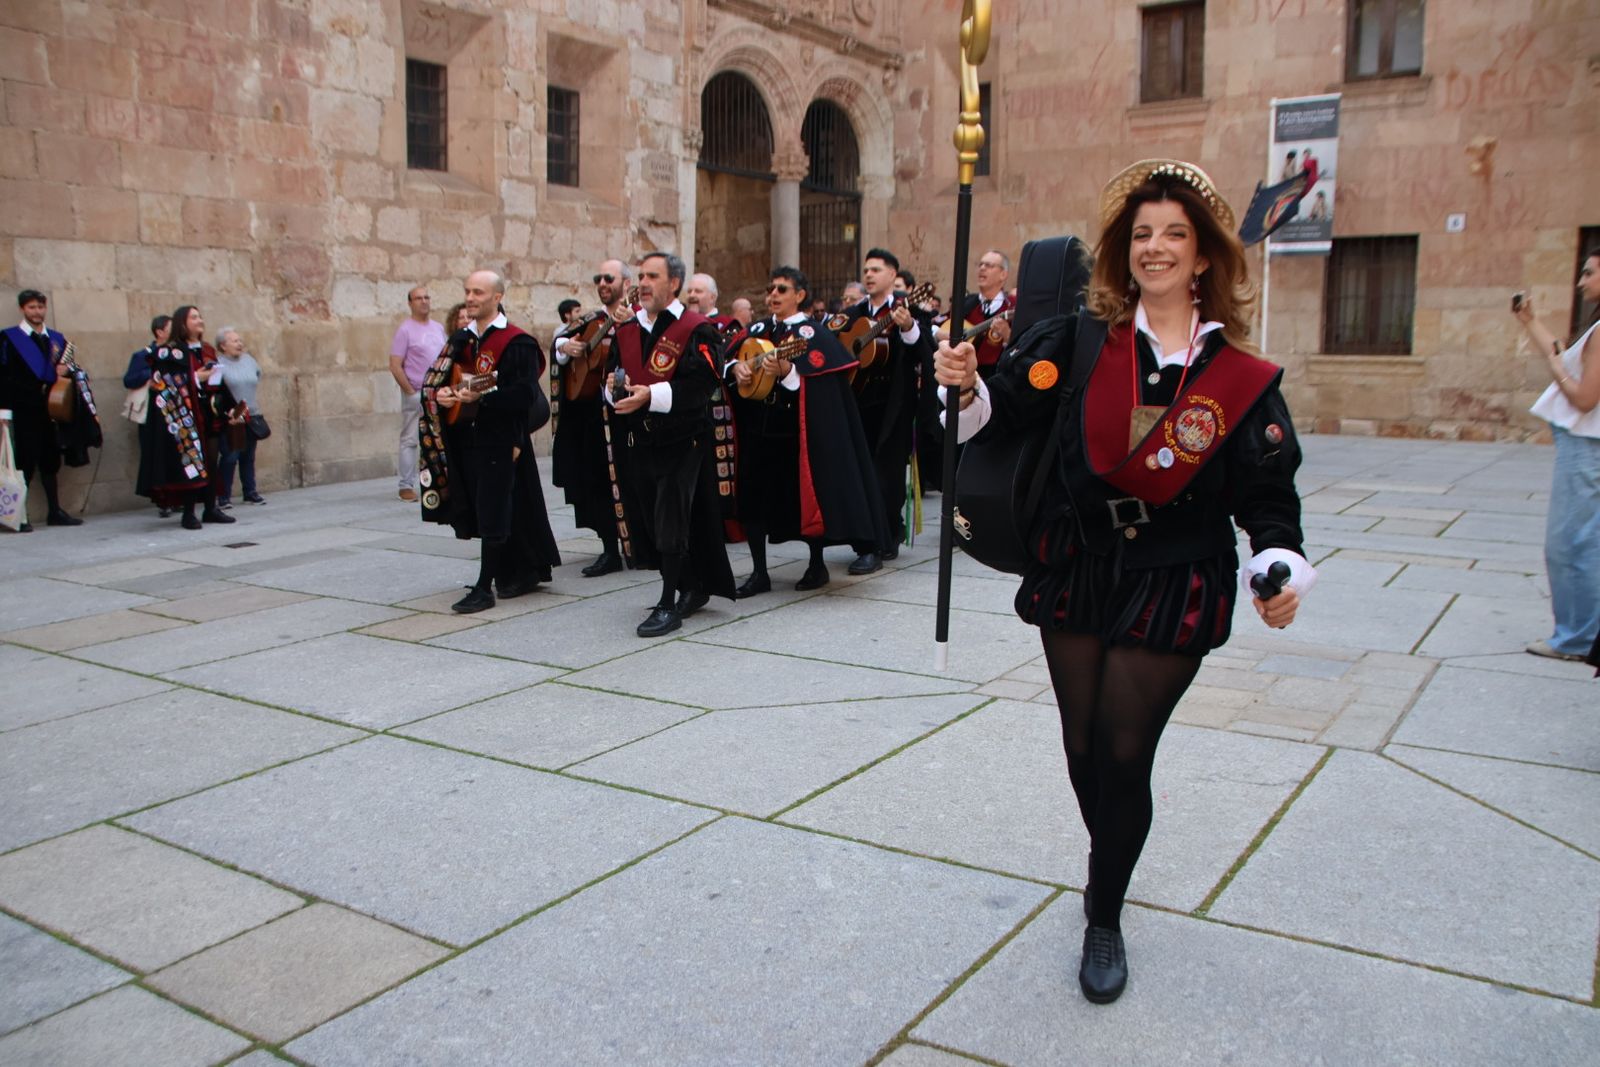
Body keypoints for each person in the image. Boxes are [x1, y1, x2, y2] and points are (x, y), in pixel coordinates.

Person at [935, 159, 1312, 1005]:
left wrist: (1278, 568)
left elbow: (1267, 498)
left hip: (1177, 576)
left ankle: (1103, 910)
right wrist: (963, 385)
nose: (1156, 247)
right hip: (1078, 562)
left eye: (1175, 233)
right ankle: (1109, 860)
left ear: (1204, 254)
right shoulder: (1078, 341)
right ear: (1123, 250)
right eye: (1142, 233)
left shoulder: (1239, 378)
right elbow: (998, 412)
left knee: (1124, 749)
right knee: (1081, 747)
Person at [726, 266, 888, 595]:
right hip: (758, 427)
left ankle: (816, 565)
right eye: (770, 289)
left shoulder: (813, 334)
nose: (773, 295)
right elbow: (727, 357)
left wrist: (788, 372)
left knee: (806, 499)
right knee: (753, 497)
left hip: (795, 433)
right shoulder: (758, 329)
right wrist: (736, 368)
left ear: (799, 295)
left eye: (781, 289)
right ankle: (759, 572)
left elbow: (822, 383)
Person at [605, 251, 735, 636]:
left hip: (682, 440)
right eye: (641, 276)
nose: (643, 283)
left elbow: (704, 384)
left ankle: (667, 604)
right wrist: (614, 392)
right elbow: (614, 378)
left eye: (652, 276)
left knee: (670, 520)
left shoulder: (697, 329)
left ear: (674, 283)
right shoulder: (627, 331)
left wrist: (652, 395)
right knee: (648, 518)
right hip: (639, 440)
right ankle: (690, 586)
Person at [425, 270, 561, 613]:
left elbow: (525, 394)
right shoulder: (461, 339)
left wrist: (480, 396)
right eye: (467, 291)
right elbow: (440, 380)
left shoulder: (517, 342)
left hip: (500, 438)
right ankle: (507, 572)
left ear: (497, 297)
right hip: (466, 437)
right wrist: (444, 394)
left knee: (494, 509)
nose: (470, 298)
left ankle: (484, 587)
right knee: (484, 505)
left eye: (479, 292)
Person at [1513, 251, 1600, 661]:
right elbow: (1564, 353)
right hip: (1585, 447)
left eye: (1589, 272)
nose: (1581, 281)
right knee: (1583, 541)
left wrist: (1555, 369)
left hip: (1586, 448)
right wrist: (1529, 321)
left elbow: (1584, 397)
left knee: (1571, 545)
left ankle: (1578, 639)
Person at [831, 247, 930, 570]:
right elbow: (836, 347)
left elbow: (924, 353)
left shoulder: (908, 308)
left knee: (886, 475)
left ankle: (885, 534)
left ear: (892, 274)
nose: (869, 275)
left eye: (876, 270)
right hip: (857, 402)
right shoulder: (854, 313)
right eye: (866, 270)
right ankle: (870, 540)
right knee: (860, 474)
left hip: (893, 406)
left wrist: (908, 327)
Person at [553, 258, 633, 576]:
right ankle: (609, 548)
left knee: (628, 482)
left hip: (624, 416)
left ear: (627, 284)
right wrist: (566, 347)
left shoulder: (636, 316)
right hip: (591, 418)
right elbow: (559, 341)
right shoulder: (591, 319)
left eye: (609, 279)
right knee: (596, 483)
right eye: (598, 278)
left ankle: (639, 545)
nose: (602, 284)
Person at [135, 305, 233, 528]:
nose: (199, 320)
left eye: (200, 316)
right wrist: (196, 378)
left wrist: (230, 408)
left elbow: (219, 381)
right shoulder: (170, 352)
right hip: (184, 415)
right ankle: (188, 513)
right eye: (194, 317)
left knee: (211, 460)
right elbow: (165, 382)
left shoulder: (207, 350)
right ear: (183, 323)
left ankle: (211, 508)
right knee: (190, 461)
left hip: (209, 413)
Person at [0, 290, 83, 528]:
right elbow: (2, 376)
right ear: (22, 309)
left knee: (50, 459)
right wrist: (3, 411)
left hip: (51, 408)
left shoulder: (56, 339)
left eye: (40, 307)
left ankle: (54, 511)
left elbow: (71, 369)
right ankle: (19, 515)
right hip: (23, 408)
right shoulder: (8, 338)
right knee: (25, 460)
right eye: (32, 307)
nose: (37, 312)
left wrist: (67, 370)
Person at [389, 286, 447, 503]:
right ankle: (405, 485)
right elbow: (395, 364)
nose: (423, 301)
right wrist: (410, 391)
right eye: (418, 298)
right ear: (410, 303)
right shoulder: (405, 330)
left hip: (438, 392)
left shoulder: (438, 328)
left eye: (426, 297)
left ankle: (438, 482)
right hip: (416, 392)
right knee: (410, 440)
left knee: (439, 439)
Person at [123, 315, 171, 515]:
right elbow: (129, 379)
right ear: (159, 332)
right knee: (156, 456)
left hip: (174, 412)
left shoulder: (177, 354)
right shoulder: (143, 355)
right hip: (152, 415)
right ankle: (163, 500)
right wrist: (149, 376)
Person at [213, 327, 265, 507]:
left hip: (251, 413)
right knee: (230, 456)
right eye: (234, 341)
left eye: (240, 340)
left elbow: (257, 375)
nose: (239, 344)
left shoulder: (249, 360)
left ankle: (250, 492)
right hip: (232, 416)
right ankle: (223, 496)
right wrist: (226, 411)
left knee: (248, 456)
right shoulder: (218, 364)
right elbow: (215, 391)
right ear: (223, 346)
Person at [950, 249, 1015, 376]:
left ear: (1003, 274)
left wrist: (1008, 336)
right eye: (980, 264)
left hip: (999, 376)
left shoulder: (1013, 304)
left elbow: (1026, 345)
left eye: (989, 265)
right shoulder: (966, 303)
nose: (982, 268)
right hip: (963, 374)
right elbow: (937, 325)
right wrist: (945, 335)